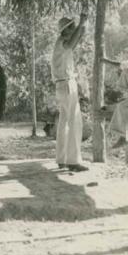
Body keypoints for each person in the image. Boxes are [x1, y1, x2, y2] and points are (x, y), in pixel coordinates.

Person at [51, 13, 89, 172]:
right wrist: (81, 24)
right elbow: (73, 41)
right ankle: (73, 161)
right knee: (75, 122)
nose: (74, 31)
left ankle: (62, 158)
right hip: (66, 84)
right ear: (66, 31)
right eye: (72, 29)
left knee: (64, 123)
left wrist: (81, 27)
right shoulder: (63, 42)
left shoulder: (62, 43)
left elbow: (75, 41)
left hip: (62, 85)